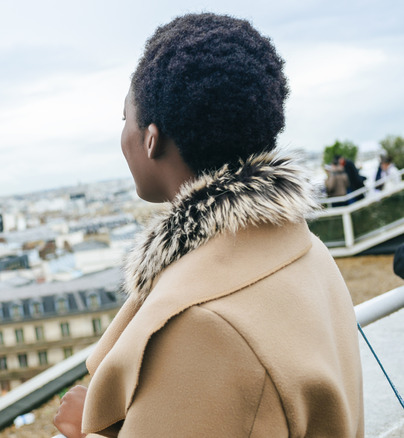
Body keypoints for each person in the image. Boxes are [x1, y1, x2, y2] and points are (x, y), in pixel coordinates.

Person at [54, 13, 363, 437]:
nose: (122, 136)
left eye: (124, 118)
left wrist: (86, 430)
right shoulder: (302, 248)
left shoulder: (200, 324)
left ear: (150, 138)